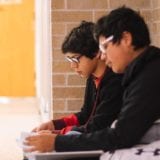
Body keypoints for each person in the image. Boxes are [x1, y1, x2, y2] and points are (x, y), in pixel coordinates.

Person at [25, 6, 160, 153]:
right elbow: (118, 129)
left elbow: (120, 136)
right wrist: (56, 130)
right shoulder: (141, 72)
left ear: (126, 39)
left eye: (104, 47)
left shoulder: (149, 76)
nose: (102, 56)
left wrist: (58, 141)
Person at [28, 20, 123, 144]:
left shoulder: (115, 81)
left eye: (75, 59)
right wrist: (54, 124)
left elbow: (98, 127)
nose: (73, 66)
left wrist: (57, 134)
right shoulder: (92, 77)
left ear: (96, 52)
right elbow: (85, 115)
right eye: (69, 59)